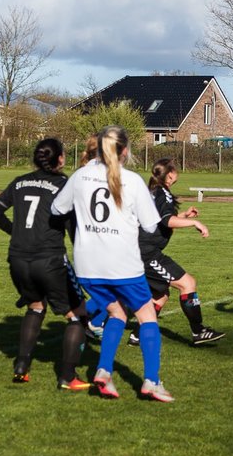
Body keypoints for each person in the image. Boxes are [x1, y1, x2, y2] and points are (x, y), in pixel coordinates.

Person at [50, 126, 172, 402]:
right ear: (125, 151)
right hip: (123, 264)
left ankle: (104, 372)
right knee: (147, 316)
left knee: (117, 313)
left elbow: (57, 209)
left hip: (87, 266)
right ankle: (151, 381)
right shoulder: (131, 180)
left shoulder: (80, 176)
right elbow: (152, 226)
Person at [0, 138, 91, 390]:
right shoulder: (63, 184)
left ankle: (21, 366)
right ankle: (68, 376)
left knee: (35, 306)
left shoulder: (20, 181)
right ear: (60, 159)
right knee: (78, 315)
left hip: (18, 258)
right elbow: (71, 224)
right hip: (50, 259)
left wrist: (16, 233)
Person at [139, 158, 225, 346]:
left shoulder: (153, 190)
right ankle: (199, 331)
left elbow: (159, 218)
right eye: (175, 170)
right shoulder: (163, 192)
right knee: (188, 283)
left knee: (160, 295)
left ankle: (140, 335)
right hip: (148, 253)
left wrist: (184, 216)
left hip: (141, 250)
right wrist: (194, 223)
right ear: (170, 174)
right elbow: (166, 221)